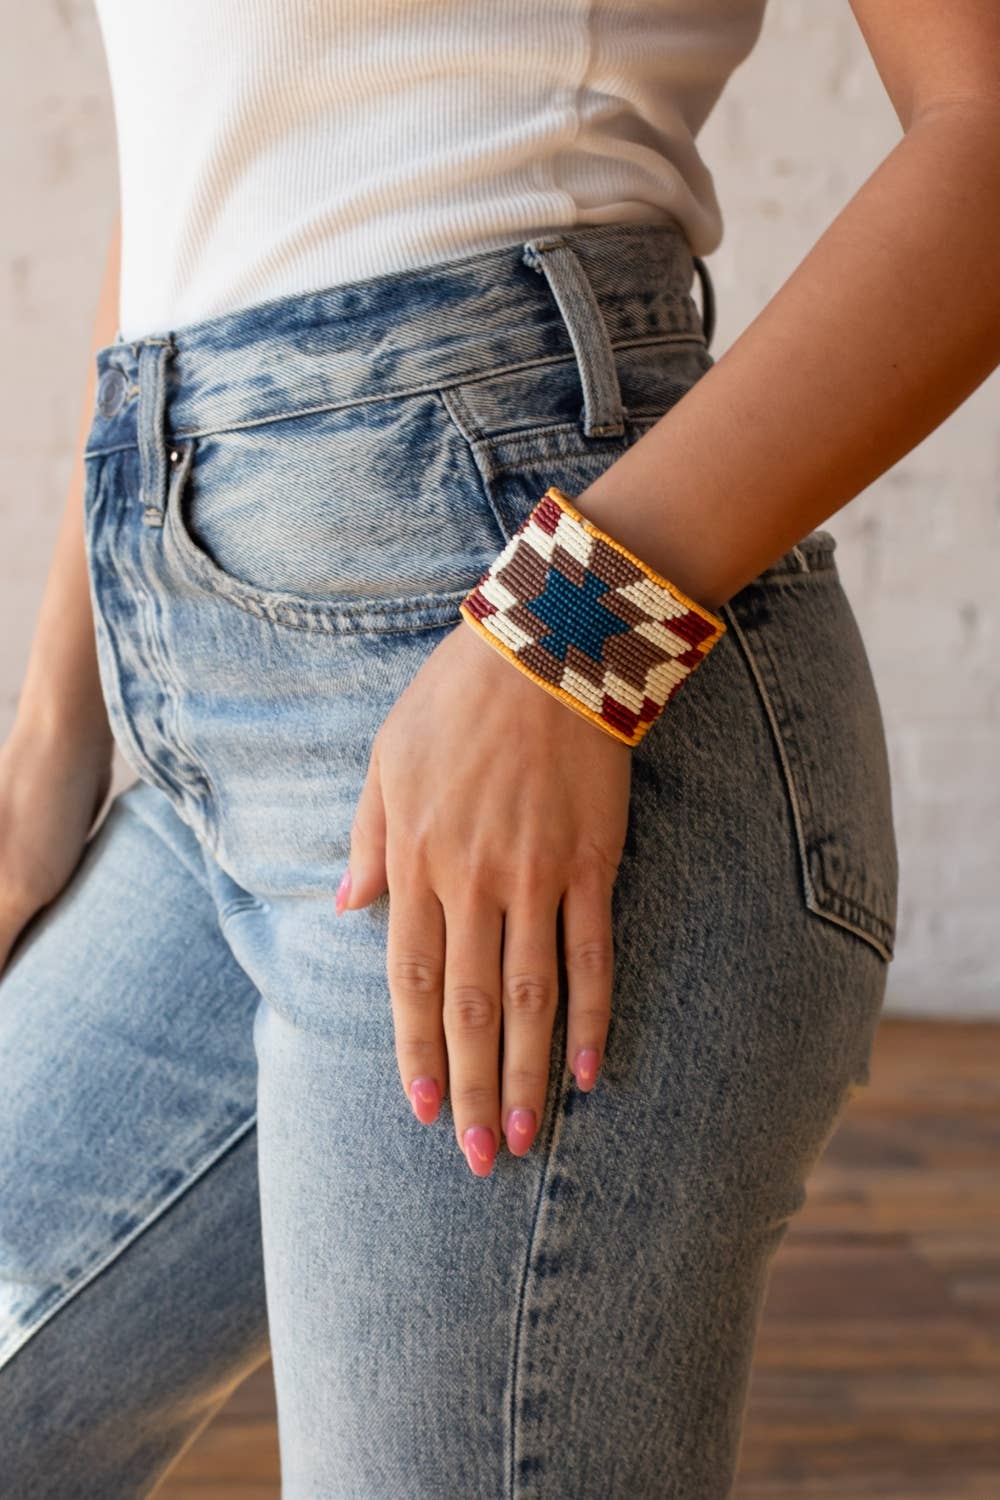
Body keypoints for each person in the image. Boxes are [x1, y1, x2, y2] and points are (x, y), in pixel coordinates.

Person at [1, 1, 997, 1494]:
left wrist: (569, 640)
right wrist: (52, 739)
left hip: (545, 672)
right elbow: (203, 182)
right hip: (208, 688)